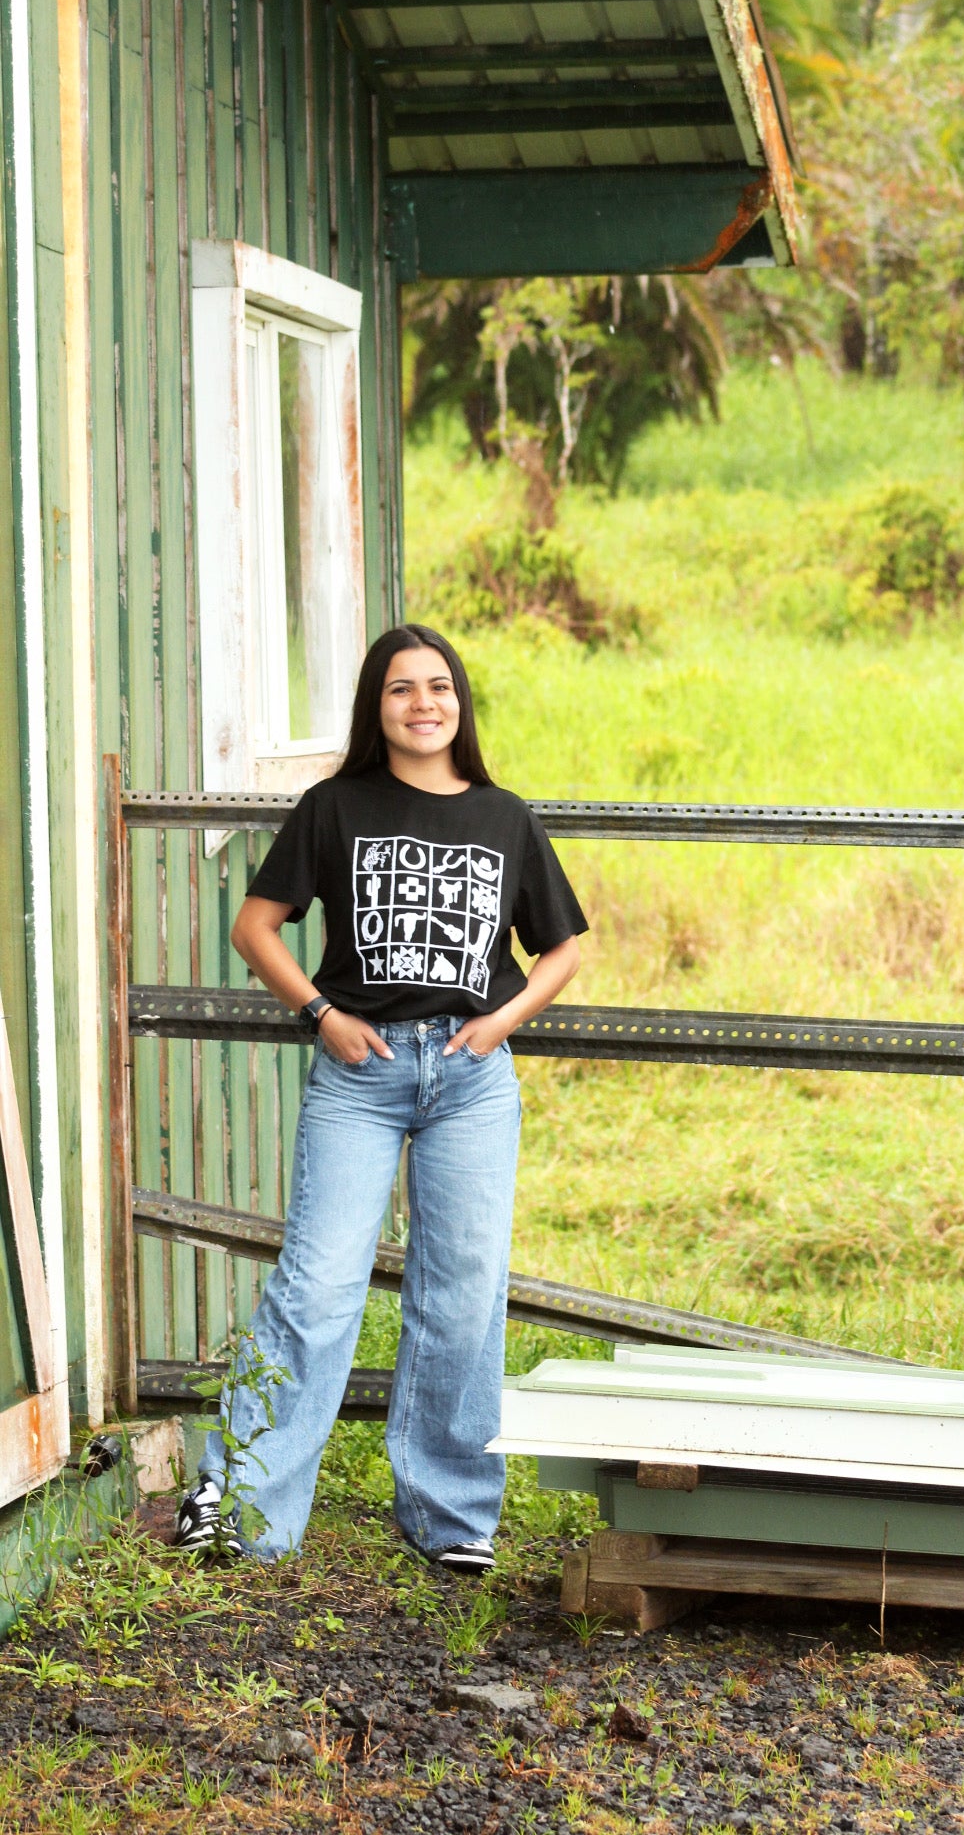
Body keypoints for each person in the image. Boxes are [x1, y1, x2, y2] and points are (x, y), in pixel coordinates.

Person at [173, 623, 586, 1572]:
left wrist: (500, 1022)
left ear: (460, 702)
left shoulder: (503, 816)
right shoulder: (334, 806)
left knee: (463, 1293)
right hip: (358, 1075)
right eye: (401, 690)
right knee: (317, 1288)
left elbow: (560, 949)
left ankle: (452, 1518)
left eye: (438, 687)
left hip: (471, 1078)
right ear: (377, 707)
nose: (422, 704)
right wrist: (319, 1011)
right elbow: (255, 926)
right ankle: (240, 1506)